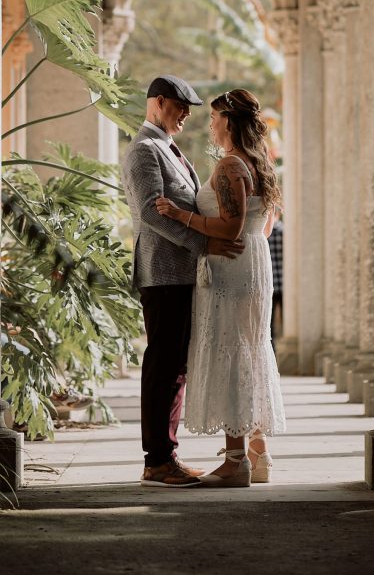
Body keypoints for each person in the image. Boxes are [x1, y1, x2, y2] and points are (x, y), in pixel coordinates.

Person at [156, 88, 286, 487]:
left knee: (233, 353)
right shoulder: (259, 164)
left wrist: (180, 214)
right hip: (252, 261)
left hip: (231, 266)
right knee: (248, 350)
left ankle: (235, 462)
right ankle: (257, 455)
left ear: (228, 121)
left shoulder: (231, 166)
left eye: (213, 119)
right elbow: (261, 225)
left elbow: (229, 227)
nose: (210, 126)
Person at [121, 75, 244, 489]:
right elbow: (153, 214)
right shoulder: (143, 151)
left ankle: (165, 456)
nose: (187, 115)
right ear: (157, 103)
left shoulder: (167, 149)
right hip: (163, 272)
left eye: (191, 109)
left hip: (182, 271)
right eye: (180, 107)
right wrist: (204, 244)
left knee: (175, 366)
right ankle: (156, 461)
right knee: (164, 365)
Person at [268, 211, 284, 351]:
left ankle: (273, 355)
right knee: (287, 323)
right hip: (285, 285)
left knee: (269, 325)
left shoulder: (264, 232)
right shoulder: (284, 231)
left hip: (270, 285)